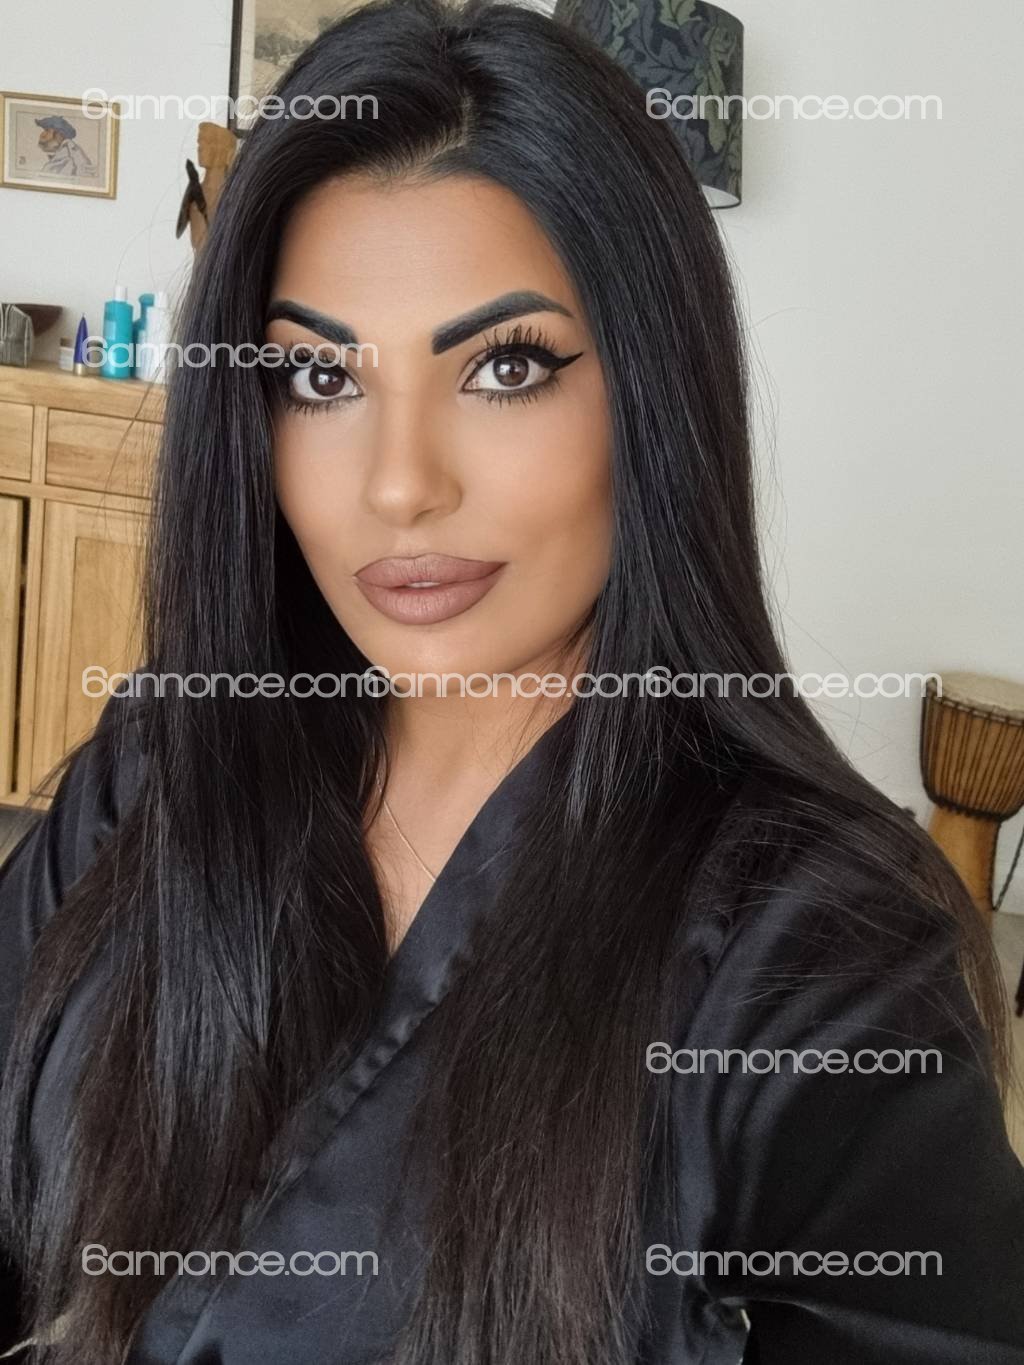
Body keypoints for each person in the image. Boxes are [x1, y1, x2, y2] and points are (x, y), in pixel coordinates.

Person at [1, 1, 1022, 1361]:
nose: (400, 486)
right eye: (319, 378)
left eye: (507, 366)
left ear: (652, 395)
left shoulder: (819, 968)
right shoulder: (169, 764)